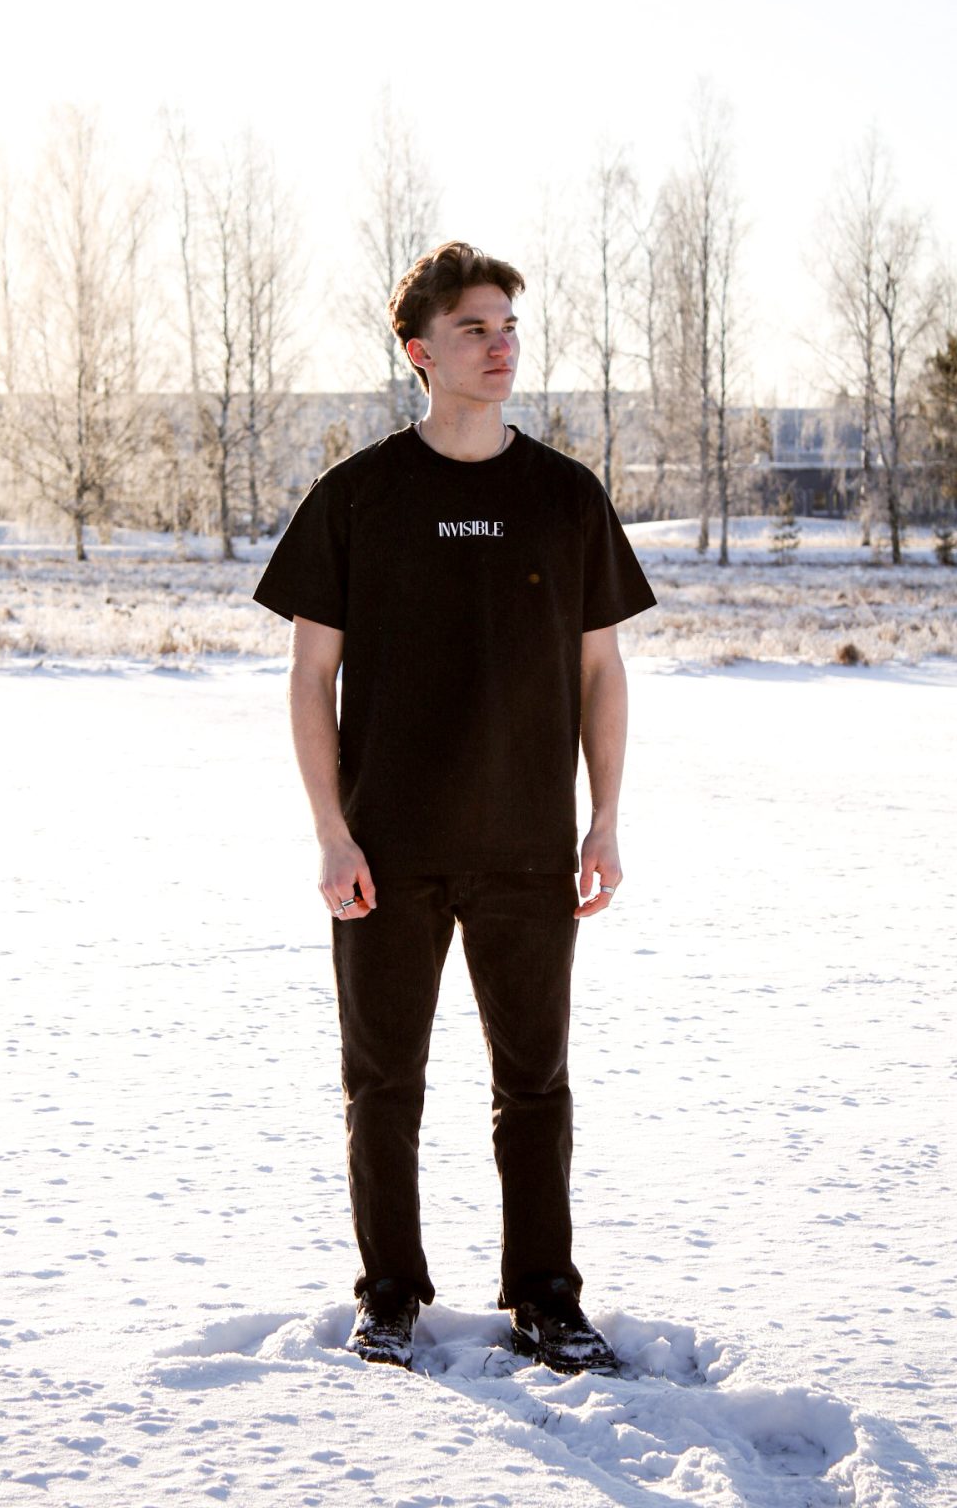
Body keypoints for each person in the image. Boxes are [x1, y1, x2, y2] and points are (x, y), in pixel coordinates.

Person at [253, 241, 656, 1373]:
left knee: (534, 1086)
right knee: (382, 1085)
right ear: (420, 351)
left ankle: (545, 1299)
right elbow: (308, 676)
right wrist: (331, 832)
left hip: (528, 845)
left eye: (507, 326)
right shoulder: (358, 494)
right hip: (386, 849)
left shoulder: (563, 496)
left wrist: (603, 818)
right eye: (474, 328)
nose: (498, 346)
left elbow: (601, 671)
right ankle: (389, 1293)